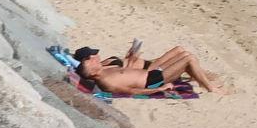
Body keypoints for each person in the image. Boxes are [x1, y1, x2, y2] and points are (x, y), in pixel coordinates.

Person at [74, 42, 221, 95]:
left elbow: (127, 72)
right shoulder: (108, 82)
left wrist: (132, 58)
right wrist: (159, 89)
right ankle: (210, 87)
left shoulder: (105, 70)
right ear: (93, 71)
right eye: (91, 60)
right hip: (153, 81)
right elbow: (132, 91)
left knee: (181, 51)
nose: (95, 58)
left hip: (150, 73)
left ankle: (201, 78)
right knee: (189, 58)